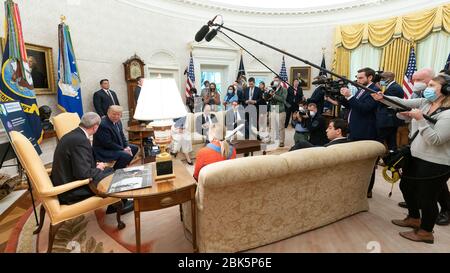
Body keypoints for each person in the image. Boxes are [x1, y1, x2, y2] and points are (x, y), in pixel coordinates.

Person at [372, 74, 450, 244]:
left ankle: (426, 232)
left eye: (431, 85)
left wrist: (420, 119)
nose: (426, 88)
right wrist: (382, 98)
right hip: (416, 156)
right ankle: (414, 217)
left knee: (427, 198)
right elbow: (402, 103)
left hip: (435, 162)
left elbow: (435, 140)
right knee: (406, 186)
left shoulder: (448, 114)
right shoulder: (425, 103)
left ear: (445, 90)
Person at [51, 112, 133, 213]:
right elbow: (82, 174)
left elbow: (77, 161)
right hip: (71, 190)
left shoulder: (74, 135)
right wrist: (98, 168)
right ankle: (119, 206)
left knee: (109, 170)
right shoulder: (81, 141)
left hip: (67, 179)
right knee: (113, 175)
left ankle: (116, 203)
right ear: (95, 127)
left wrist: (95, 166)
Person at [340, 67, 380, 198]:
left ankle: (367, 190)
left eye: (361, 77)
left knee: (367, 163)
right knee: (356, 161)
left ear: (370, 78)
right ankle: (356, 186)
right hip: (355, 129)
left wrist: (350, 96)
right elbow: (354, 105)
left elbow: (364, 109)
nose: (358, 80)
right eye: (357, 77)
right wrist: (343, 98)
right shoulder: (362, 89)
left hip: (365, 132)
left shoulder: (375, 91)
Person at [93, 106, 139, 170]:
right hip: (104, 150)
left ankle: (123, 166)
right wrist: (123, 149)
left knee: (134, 148)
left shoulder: (118, 121)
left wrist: (126, 146)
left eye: (118, 115)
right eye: (114, 114)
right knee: (125, 155)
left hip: (115, 146)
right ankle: (116, 171)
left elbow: (122, 135)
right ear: (108, 113)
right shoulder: (103, 124)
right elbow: (107, 143)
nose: (116, 116)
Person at [376, 72, 404, 151]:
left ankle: (384, 158)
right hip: (389, 120)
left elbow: (384, 102)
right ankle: (392, 157)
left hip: (388, 120)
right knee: (391, 141)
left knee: (382, 140)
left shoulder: (394, 88)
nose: (380, 80)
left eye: (382, 78)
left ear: (388, 78)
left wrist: (378, 89)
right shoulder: (393, 86)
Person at [269, 77, 288, 147]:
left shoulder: (284, 90)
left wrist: (274, 95)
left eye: (276, 80)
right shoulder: (272, 89)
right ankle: (272, 139)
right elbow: (267, 98)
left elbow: (283, 99)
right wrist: (267, 94)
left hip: (280, 110)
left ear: (280, 81)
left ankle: (281, 141)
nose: (275, 81)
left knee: (280, 127)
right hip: (273, 108)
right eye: (274, 80)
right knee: (271, 126)